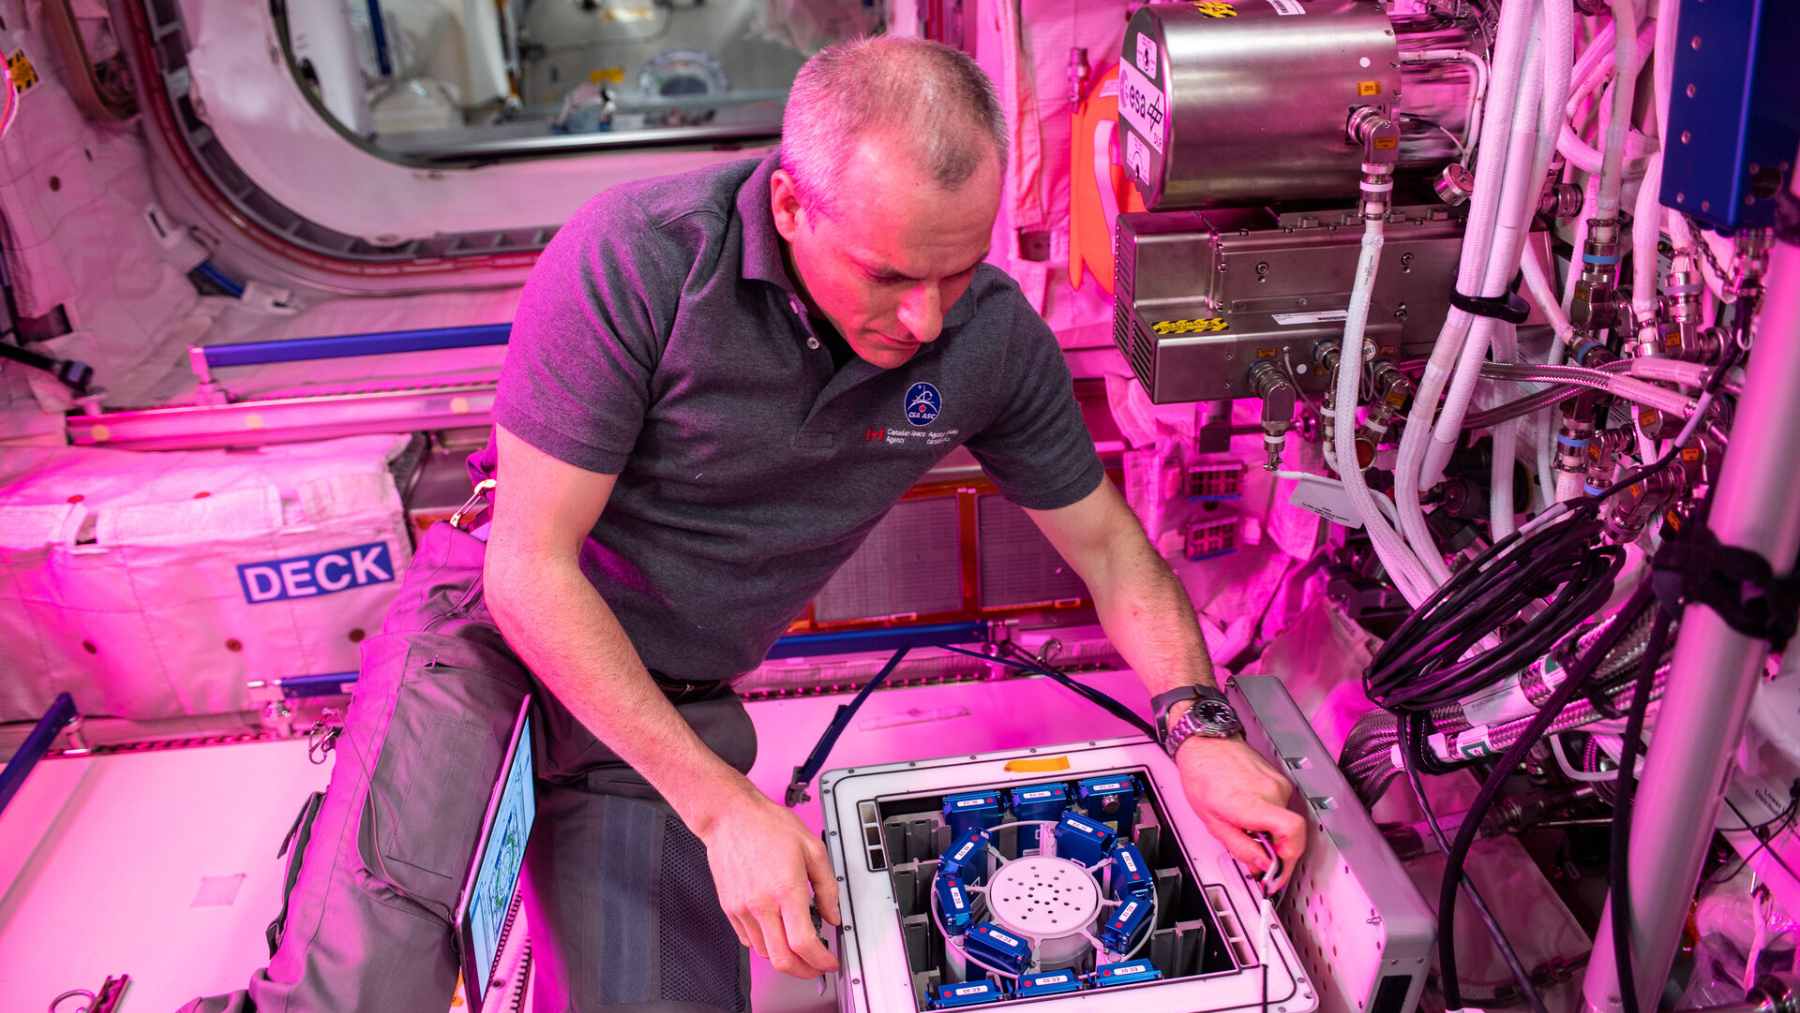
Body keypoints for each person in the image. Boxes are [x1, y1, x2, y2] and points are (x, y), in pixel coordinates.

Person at [186, 35, 1304, 1013]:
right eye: (892, 276)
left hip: (665, 703)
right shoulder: (638, 256)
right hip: (497, 639)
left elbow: (1113, 550)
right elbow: (529, 569)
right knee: (366, 983)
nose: (925, 321)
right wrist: (725, 810)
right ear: (788, 205)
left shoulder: (990, 340)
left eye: (958, 275)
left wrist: (1199, 729)